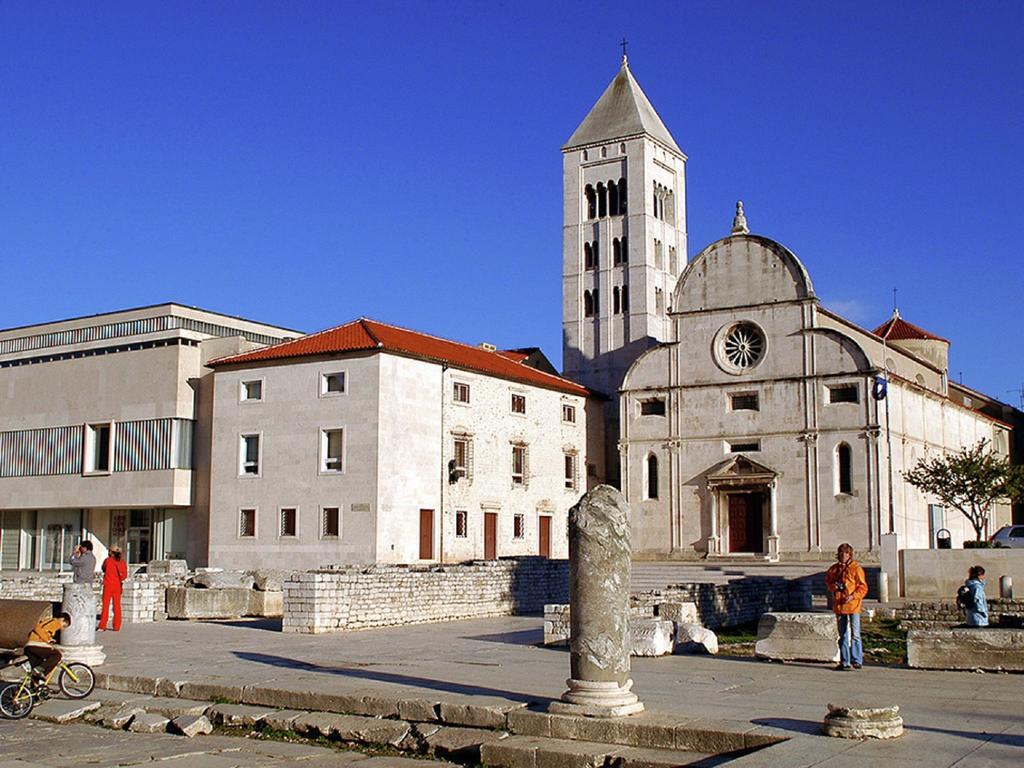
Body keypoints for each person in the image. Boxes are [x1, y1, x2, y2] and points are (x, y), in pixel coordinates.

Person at [825, 542, 869, 671]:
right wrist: (835, 587)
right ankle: (845, 661)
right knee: (843, 634)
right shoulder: (833, 569)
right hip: (839, 605)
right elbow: (829, 584)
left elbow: (863, 587)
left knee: (855, 634)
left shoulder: (856, 568)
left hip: (853, 605)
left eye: (846, 553)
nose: (843, 555)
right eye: (841, 553)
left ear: (850, 555)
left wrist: (853, 596)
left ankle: (857, 660)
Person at [25, 612, 71, 685]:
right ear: (62, 619)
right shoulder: (55, 622)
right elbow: (38, 628)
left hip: (32, 647)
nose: (62, 628)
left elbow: (45, 631)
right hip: (34, 644)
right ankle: (40, 670)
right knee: (57, 655)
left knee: (36, 675)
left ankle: (34, 692)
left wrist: (50, 640)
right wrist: (47, 640)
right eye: (64, 625)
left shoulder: (54, 625)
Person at [98, 545, 129, 631]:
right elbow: (124, 576)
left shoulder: (108, 561)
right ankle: (117, 626)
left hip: (108, 585)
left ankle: (102, 625)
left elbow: (103, 569)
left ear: (111, 553)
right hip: (117, 586)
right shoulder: (122, 562)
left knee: (105, 606)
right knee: (117, 606)